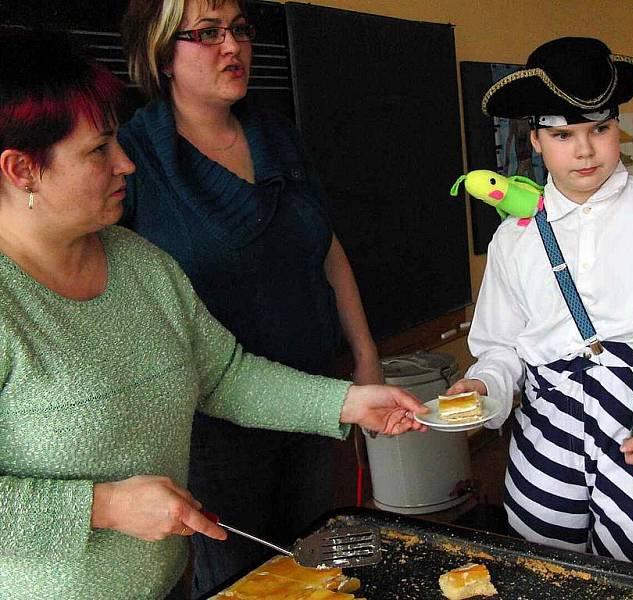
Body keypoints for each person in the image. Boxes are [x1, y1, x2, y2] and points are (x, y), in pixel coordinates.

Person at [0, 29, 426, 600]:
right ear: (21, 169)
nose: (125, 162)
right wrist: (103, 506)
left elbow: (225, 375)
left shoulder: (142, 267)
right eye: (99, 150)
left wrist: (347, 401)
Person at [117, 0, 386, 595]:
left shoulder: (278, 137)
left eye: (239, 30)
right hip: (214, 425)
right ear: (162, 54)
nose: (232, 47)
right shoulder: (133, 158)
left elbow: (327, 246)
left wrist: (364, 354)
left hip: (316, 396)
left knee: (317, 560)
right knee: (244, 579)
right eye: (207, 34)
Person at [448, 37, 633, 575]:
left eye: (599, 130)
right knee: (546, 574)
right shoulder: (514, 239)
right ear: (535, 140)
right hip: (546, 431)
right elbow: (501, 346)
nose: (584, 151)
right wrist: (484, 385)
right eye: (563, 135)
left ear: (616, 128)